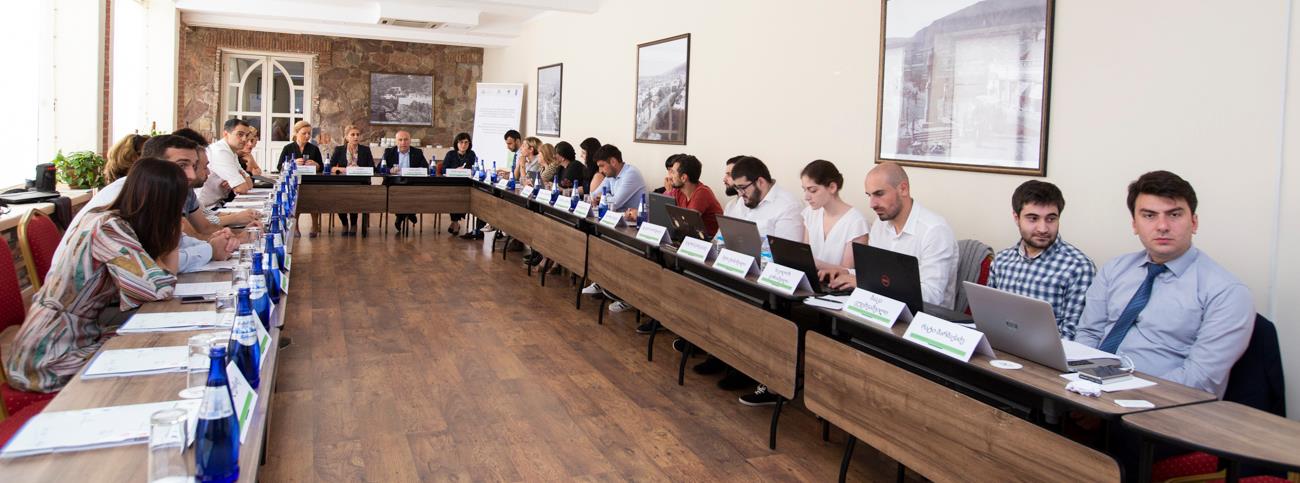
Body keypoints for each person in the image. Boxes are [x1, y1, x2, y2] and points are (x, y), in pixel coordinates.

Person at [5, 158, 185, 393]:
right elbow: (157, 288)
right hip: (50, 355)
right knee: (161, 357)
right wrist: (173, 233)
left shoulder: (110, 219)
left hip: (73, 336)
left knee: (159, 346)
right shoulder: (108, 228)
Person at [1075, 171, 1252, 397]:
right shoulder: (1115, 269)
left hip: (1160, 406)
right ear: (1135, 224)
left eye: (1174, 215)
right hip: (1088, 392)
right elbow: (1089, 333)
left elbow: (1200, 378)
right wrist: (1084, 384)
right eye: (1149, 215)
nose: (1162, 226)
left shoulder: (1226, 292)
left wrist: (1119, 397)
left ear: (1194, 222)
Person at [53, 135, 238, 274]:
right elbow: (156, 272)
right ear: (152, 165)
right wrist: (209, 250)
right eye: (182, 165)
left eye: (195, 166)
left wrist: (213, 244)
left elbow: (171, 247)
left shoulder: (156, 192)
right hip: (89, 311)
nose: (191, 174)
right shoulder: (131, 198)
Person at [823, 162, 959, 309]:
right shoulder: (880, 224)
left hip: (924, 317)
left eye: (879, 194)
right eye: (869, 195)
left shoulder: (934, 231)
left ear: (903, 189)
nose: (872, 204)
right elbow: (876, 274)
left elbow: (932, 296)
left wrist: (864, 283)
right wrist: (846, 272)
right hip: (883, 309)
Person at [987, 180, 1096, 339]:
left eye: (1051, 219)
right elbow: (989, 316)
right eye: (1033, 218)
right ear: (1016, 218)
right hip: (999, 345)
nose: (1043, 229)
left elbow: (1073, 335)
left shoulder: (1078, 267)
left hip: (1048, 353)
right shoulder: (1002, 261)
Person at [171, 128, 261, 236]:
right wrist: (236, 219)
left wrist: (242, 229)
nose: (245, 140)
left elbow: (206, 219)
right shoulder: (165, 193)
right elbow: (198, 232)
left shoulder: (187, 191)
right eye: (183, 165)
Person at [799, 160, 869, 269]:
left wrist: (813, 263)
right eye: (805, 190)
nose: (806, 197)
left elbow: (847, 272)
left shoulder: (856, 222)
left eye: (812, 190)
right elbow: (805, 254)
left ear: (832, 187)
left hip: (838, 280)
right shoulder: (810, 213)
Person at [723, 156, 805, 241]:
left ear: (760, 182)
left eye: (743, 187)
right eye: (737, 188)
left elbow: (785, 248)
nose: (740, 193)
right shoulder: (742, 201)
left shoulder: (789, 206)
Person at [279, 120, 324, 237]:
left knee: (314, 201)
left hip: (311, 182)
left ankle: (315, 225)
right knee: (296, 203)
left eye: (309, 133)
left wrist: (316, 165)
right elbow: (279, 167)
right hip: (294, 182)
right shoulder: (288, 148)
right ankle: (295, 227)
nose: (307, 136)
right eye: (304, 133)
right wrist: (292, 163)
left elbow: (322, 167)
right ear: (296, 133)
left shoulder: (314, 148)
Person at [329, 125, 375, 236]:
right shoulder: (339, 150)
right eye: (352, 134)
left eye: (357, 134)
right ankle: (345, 223)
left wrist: (359, 169)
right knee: (339, 198)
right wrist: (345, 169)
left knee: (355, 198)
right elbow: (330, 167)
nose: (356, 137)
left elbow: (372, 168)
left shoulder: (365, 150)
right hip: (342, 182)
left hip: (360, 183)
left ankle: (354, 224)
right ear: (346, 137)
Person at [200, 118, 255, 208]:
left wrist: (238, 181)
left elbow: (249, 184)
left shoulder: (231, 152)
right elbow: (242, 188)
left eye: (247, 135)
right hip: (204, 209)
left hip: (216, 205)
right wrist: (240, 180)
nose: (244, 139)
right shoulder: (220, 151)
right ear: (226, 134)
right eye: (240, 134)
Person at [664, 155, 723, 238]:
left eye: (673, 172)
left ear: (683, 178)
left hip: (709, 242)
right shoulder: (678, 191)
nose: (669, 177)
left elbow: (688, 225)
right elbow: (664, 214)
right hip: (690, 239)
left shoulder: (702, 193)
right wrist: (669, 192)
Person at [382, 130, 429, 232]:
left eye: (406, 139)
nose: (403, 142)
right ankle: (409, 213)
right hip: (394, 182)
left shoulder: (417, 152)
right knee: (399, 191)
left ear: (410, 141)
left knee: (411, 191)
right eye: (400, 140)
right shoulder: (389, 152)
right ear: (396, 141)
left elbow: (426, 168)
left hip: (412, 182)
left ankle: (401, 216)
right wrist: (390, 170)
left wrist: (416, 171)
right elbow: (380, 168)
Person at [592, 144, 647, 212]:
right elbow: (594, 195)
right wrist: (607, 196)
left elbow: (615, 204)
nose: (600, 171)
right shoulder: (610, 174)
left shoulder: (631, 174)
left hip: (636, 218)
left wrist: (604, 196)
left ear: (613, 162)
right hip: (618, 215)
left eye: (602, 166)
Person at [444, 132, 476, 236]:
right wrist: (455, 170)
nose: (463, 145)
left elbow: (474, 169)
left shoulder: (471, 154)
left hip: (466, 184)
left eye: (466, 142)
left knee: (465, 196)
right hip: (452, 184)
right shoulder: (451, 154)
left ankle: (455, 222)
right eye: (461, 142)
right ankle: (455, 222)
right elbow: (443, 169)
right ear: (456, 143)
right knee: (454, 196)